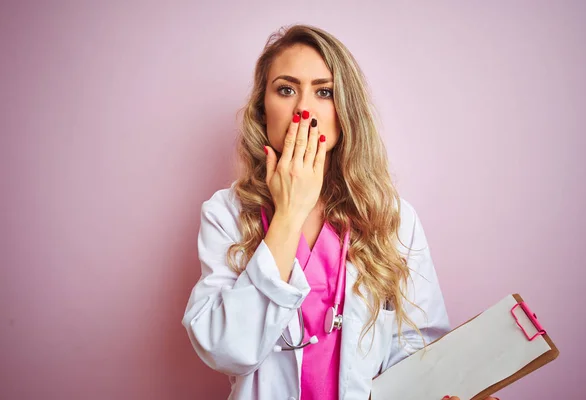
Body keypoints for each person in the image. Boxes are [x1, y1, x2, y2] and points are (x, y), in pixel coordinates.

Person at [182, 24, 500, 400]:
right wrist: (288, 214)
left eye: (324, 92)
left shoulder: (394, 218)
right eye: (286, 89)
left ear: (344, 108)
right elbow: (226, 348)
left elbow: (418, 349)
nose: (303, 107)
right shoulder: (226, 213)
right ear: (261, 109)